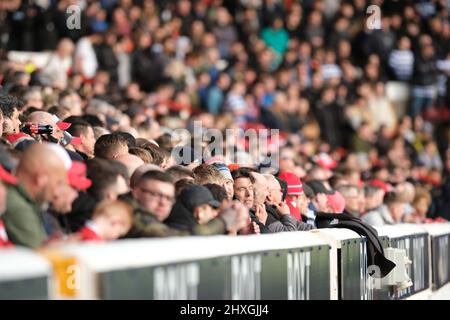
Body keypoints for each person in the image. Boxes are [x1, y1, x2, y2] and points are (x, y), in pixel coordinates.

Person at [2, 143, 68, 248]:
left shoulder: (20, 199)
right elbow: (39, 255)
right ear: (41, 178)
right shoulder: (19, 207)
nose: (56, 193)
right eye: (58, 183)